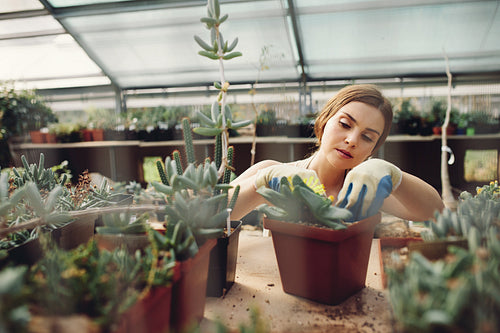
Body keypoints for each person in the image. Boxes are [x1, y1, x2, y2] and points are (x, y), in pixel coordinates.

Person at [229, 84, 444, 222]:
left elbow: (435, 212)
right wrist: (263, 181)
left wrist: (394, 176)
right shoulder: (274, 174)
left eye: (367, 137)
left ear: (373, 149)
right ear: (323, 122)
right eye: (344, 123)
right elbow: (214, 214)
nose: (352, 140)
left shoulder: (361, 193)